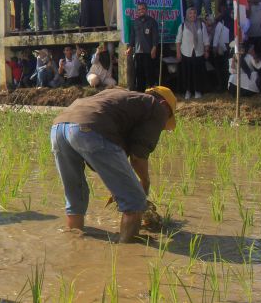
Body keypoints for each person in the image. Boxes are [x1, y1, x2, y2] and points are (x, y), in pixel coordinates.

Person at [51, 86, 177, 243]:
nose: (164, 122)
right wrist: (144, 182)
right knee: (134, 201)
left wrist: (118, 186)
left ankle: (74, 243)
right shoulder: (157, 107)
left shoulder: (123, 98)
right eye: (168, 117)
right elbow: (138, 157)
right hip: (89, 128)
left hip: (59, 128)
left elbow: (111, 157)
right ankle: (125, 255)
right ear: (165, 104)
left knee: (75, 195)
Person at [175, 7, 209, 100]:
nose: (192, 15)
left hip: (198, 53)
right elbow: (178, 41)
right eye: (190, 13)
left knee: (197, 73)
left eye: (194, 13)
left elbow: (206, 39)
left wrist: (206, 50)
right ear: (187, 15)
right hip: (186, 53)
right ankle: (188, 91)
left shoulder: (201, 25)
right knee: (187, 73)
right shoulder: (182, 26)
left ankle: (197, 91)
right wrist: (178, 53)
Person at [127, 2, 159, 92]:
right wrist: (130, 47)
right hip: (138, 53)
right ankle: (140, 94)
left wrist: (154, 48)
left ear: (146, 10)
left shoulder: (152, 21)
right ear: (137, 11)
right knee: (139, 74)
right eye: (139, 9)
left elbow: (155, 36)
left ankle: (152, 93)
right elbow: (132, 37)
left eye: (143, 9)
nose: (141, 11)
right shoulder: (135, 22)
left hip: (148, 52)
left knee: (149, 73)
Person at [207, 15, 231, 91]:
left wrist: (214, 51)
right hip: (222, 52)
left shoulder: (219, 28)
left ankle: (222, 86)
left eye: (208, 20)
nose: (207, 22)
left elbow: (216, 43)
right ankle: (223, 85)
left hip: (222, 52)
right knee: (222, 70)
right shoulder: (218, 27)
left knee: (221, 70)